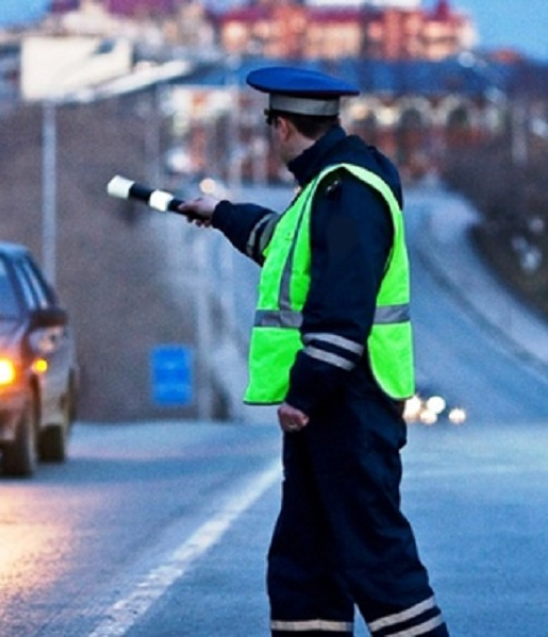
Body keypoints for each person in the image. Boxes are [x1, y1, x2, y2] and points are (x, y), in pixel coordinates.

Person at [179, 67, 449, 637]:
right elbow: (283, 245)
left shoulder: (346, 191)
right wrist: (222, 212)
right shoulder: (328, 187)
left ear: (280, 126)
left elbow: (341, 308)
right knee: (306, 562)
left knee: (377, 560)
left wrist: (304, 395)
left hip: (348, 404)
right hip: (335, 409)